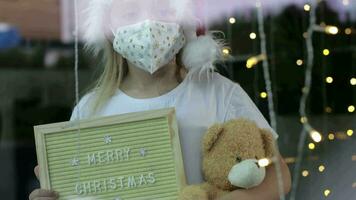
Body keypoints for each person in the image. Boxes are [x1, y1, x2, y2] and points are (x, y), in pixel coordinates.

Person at [29, 0, 291, 199]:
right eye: (131, 12)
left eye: (164, 10)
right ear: (107, 27)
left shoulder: (220, 93)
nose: (149, 24)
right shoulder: (90, 109)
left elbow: (279, 175)